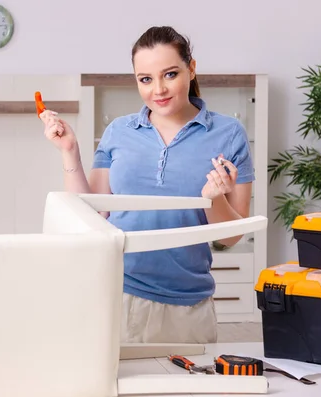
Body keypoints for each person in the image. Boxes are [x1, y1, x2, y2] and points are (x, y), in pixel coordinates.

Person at [40, 26, 254, 344]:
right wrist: (69, 150)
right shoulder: (118, 131)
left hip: (189, 304)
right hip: (118, 293)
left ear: (191, 68)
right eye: (145, 79)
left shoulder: (228, 133)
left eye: (170, 74)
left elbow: (232, 236)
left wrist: (215, 199)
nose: (158, 90)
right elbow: (94, 215)